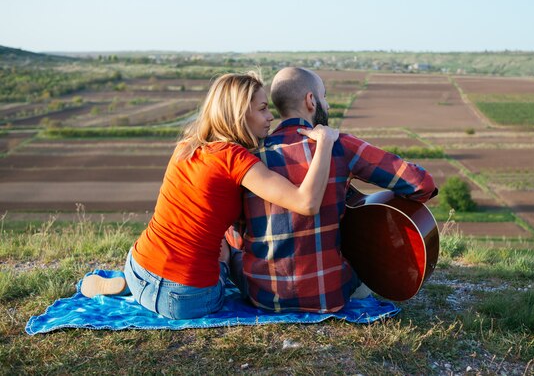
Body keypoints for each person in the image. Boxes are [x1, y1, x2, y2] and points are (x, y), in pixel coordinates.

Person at [80, 71, 339, 320]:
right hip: (186, 298)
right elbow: (306, 203)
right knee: (229, 252)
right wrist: (325, 141)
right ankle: (222, 274)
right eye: (262, 109)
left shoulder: (186, 146)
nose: (270, 117)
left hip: (139, 265)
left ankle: (133, 287)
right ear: (238, 114)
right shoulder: (234, 158)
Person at [226, 67, 437, 313]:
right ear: (311, 100)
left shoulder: (246, 157)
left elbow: (238, 237)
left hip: (262, 297)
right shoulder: (340, 145)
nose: (327, 105)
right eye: (323, 97)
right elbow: (422, 184)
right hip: (327, 297)